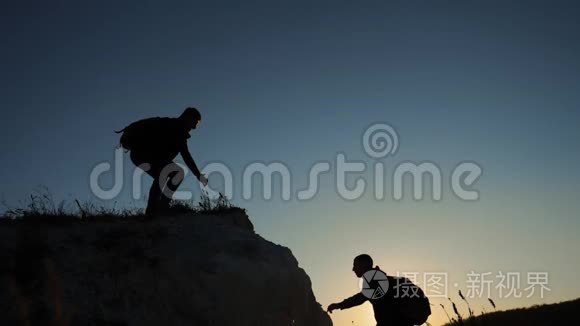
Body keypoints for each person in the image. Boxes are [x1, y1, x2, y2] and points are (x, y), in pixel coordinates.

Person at [115, 107, 208, 215]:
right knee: (172, 173)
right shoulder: (175, 129)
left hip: (141, 155)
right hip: (142, 153)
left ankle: (155, 210)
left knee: (166, 174)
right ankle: (159, 209)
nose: (194, 128)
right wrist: (198, 175)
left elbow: (185, 156)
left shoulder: (174, 127)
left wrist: (198, 175)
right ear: (188, 118)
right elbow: (187, 157)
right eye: (195, 123)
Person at [327, 254, 429, 326]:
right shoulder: (381, 279)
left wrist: (339, 305)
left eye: (355, 265)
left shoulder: (376, 281)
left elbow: (360, 298)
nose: (353, 269)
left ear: (363, 265)